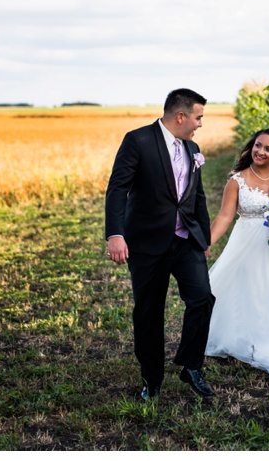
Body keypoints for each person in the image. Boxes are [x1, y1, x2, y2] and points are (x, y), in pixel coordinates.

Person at [105, 88, 216, 400]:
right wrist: (115, 233)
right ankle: (151, 379)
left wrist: (203, 238)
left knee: (202, 299)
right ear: (180, 116)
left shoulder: (192, 147)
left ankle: (191, 365)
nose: (200, 124)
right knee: (149, 312)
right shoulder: (138, 140)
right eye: (198, 117)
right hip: (147, 243)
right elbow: (118, 189)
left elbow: (198, 196)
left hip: (186, 242)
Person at [204, 128, 269, 384]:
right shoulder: (237, 181)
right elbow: (225, 217)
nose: (260, 152)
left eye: (267, 149)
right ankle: (249, 344)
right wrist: (204, 244)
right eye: (257, 145)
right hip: (249, 248)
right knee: (253, 300)